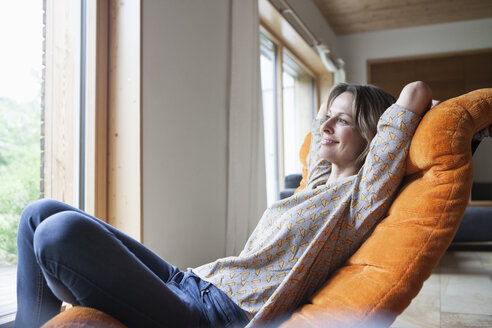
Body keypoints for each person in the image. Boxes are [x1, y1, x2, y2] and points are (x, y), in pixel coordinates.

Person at [15, 81, 433, 328]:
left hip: (213, 315)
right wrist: (336, 111)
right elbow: (319, 130)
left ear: (375, 134)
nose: (325, 126)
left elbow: (414, 94)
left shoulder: (359, 198)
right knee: (40, 213)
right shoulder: (317, 182)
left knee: (59, 233)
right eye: (329, 115)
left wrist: (422, 116)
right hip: (192, 280)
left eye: (342, 120)